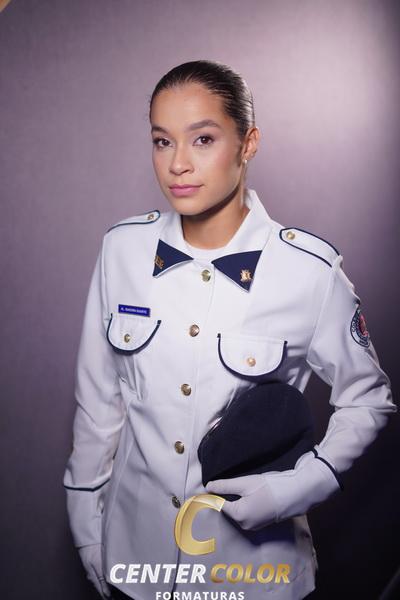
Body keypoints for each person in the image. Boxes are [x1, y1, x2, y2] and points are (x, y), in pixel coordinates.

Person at [63, 60, 396, 600]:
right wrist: (85, 523)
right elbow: (99, 401)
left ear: (248, 144)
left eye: (203, 139)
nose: (178, 164)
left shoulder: (309, 272)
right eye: (162, 141)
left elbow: (368, 400)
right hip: (135, 559)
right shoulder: (121, 249)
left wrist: (298, 488)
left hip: (253, 575)